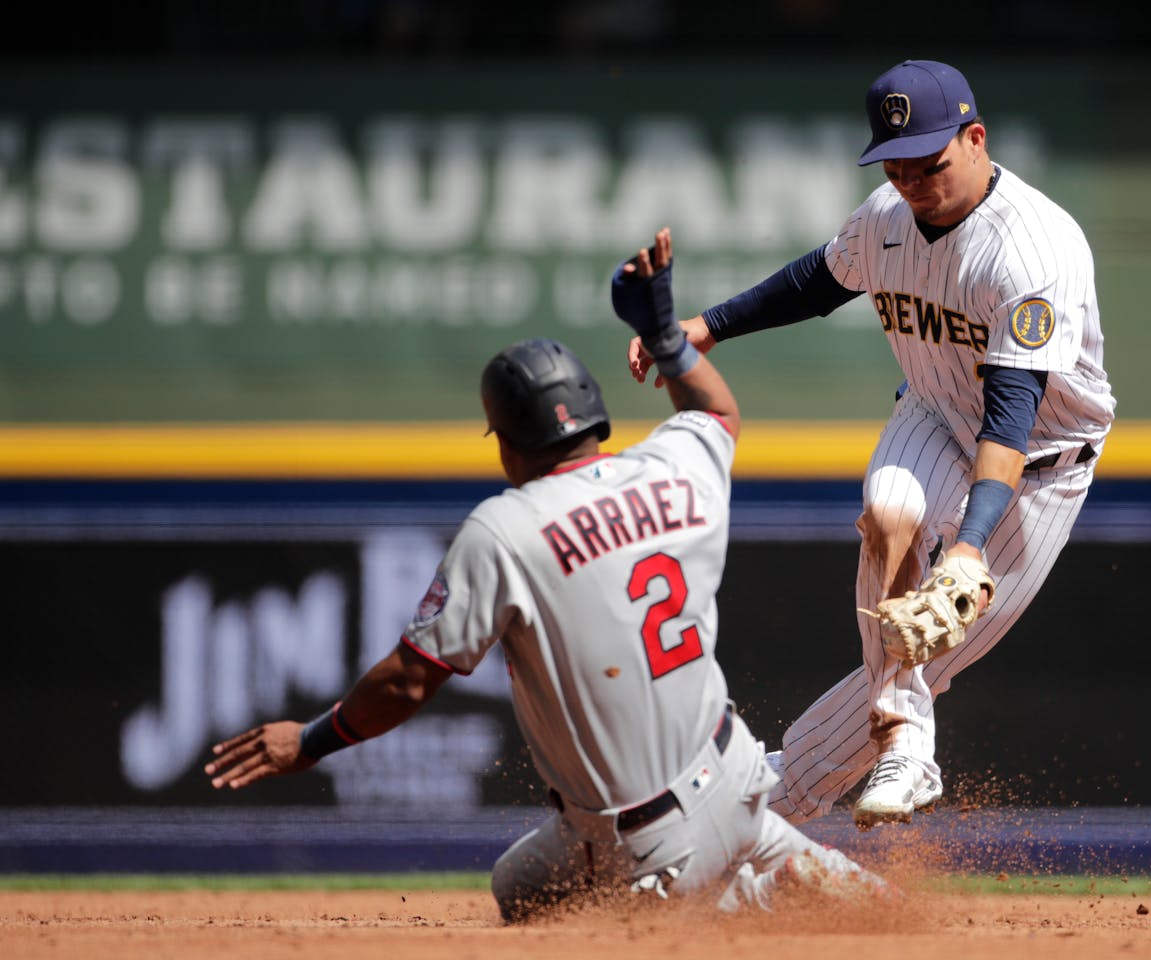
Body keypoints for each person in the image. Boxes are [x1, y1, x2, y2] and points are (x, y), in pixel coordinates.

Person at [205, 228, 883, 919]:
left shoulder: (506, 528)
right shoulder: (674, 468)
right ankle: (786, 867)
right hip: (737, 776)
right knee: (523, 883)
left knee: (565, 908)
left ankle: (754, 895)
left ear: (506, 442)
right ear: (593, 413)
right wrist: (666, 339)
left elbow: (410, 677)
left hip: (644, 841)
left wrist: (310, 740)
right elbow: (715, 411)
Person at [627, 60, 1116, 829]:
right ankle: (903, 742)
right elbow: (818, 280)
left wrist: (970, 545)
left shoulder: (1032, 251)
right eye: (897, 163)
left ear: (977, 138)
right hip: (932, 408)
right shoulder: (886, 215)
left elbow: (1010, 418)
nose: (914, 179)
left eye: (932, 162)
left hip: (1040, 464)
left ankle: (767, 795)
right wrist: (705, 328)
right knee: (888, 514)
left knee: (929, 641)